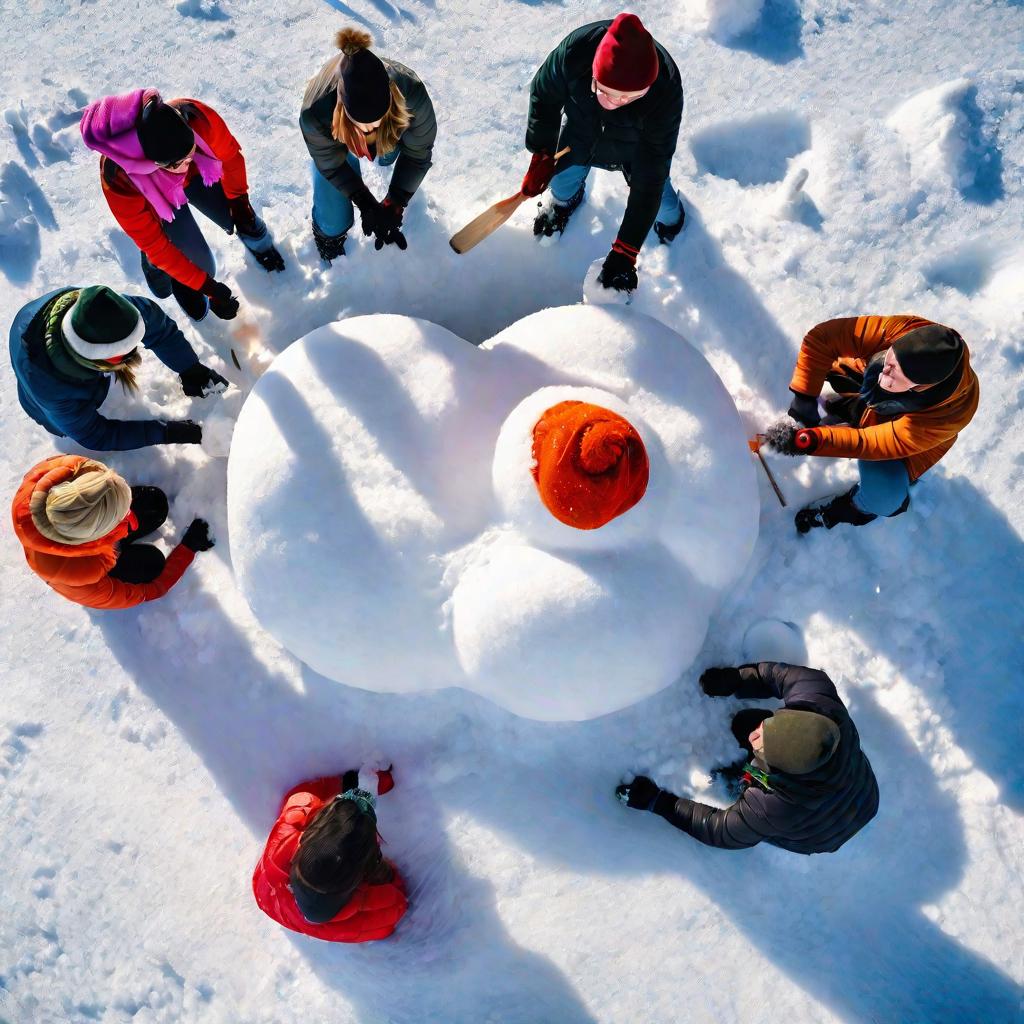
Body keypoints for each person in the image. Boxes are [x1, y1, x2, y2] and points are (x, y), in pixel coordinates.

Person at [617, 662, 879, 855]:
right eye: (768, 727)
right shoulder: (820, 700)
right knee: (746, 722)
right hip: (864, 798)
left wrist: (657, 802)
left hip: (817, 835)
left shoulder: (771, 809)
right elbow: (784, 676)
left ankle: (742, 781)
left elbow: (719, 831)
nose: (755, 735)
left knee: (750, 795)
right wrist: (738, 680)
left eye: (762, 748)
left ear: (781, 772)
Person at [80, 89, 284, 322]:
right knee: (200, 265)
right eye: (178, 163)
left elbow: (230, 159)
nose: (187, 163)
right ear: (152, 162)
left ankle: (249, 232)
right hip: (155, 202)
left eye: (192, 151)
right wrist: (208, 286)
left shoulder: (194, 115)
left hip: (201, 175)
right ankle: (159, 269)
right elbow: (156, 245)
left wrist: (240, 203)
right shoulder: (118, 177)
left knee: (230, 214)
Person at [763, 315, 980, 533]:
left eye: (896, 374)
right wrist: (803, 400)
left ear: (919, 387)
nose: (886, 369)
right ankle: (851, 407)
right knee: (826, 367)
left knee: (885, 498)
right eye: (890, 360)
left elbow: (873, 443)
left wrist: (811, 441)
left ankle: (853, 508)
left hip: (900, 444)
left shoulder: (948, 415)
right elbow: (822, 339)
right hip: (869, 392)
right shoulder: (904, 330)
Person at [521, 13, 685, 295]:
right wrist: (543, 152)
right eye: (607, 93)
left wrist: (626, 250)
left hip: (638, 151)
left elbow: (651, 173)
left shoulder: (665, 90)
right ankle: (564, 205)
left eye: (630, 97)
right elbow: (544, 96)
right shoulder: (575, 53)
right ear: (594, 74)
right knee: (560, 184)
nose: (616, 103)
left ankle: (674, 223)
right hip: (579, 138)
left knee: (661, 203)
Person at [9, 284, 225, 451]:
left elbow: (159, 328)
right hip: (39, 384)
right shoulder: (52, 389)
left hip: (54, 330)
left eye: (134, 342)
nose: (132, 354)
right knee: (59, 423)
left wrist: (190, 369)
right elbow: (96, 435)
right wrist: (166, 433)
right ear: (93, 359)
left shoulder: (109, 309)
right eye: (120, 354)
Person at [300, 28, 437, 263]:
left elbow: (417, 153)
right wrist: (365, 202)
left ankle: (385, 145)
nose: (369, 130)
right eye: (362, 126)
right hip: (334, 132)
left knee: (387, 152)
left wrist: (395, 201)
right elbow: (331, 165)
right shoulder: (316, 114)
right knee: (334, 218)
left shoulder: (412, 94)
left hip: (392, 118)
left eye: (377, 122)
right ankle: (328, 236)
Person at [11, 455, 214, 610]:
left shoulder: (62, 471)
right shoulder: (83, 581)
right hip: (96, 562)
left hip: (92, 536)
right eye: (120, 517)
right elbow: (147, 591)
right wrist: (188, 548)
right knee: (151, 564)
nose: (131, 517)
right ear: (97, 535)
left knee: (154, 503)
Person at [252, 766, 407, 942]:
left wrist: (344, 785)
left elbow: (301, 795)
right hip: (340, 926)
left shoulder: (285, 837)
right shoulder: (376, 913)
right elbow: (398, 896)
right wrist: (380, 869)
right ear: (363, 873)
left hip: (270, 898)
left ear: (307, 835)